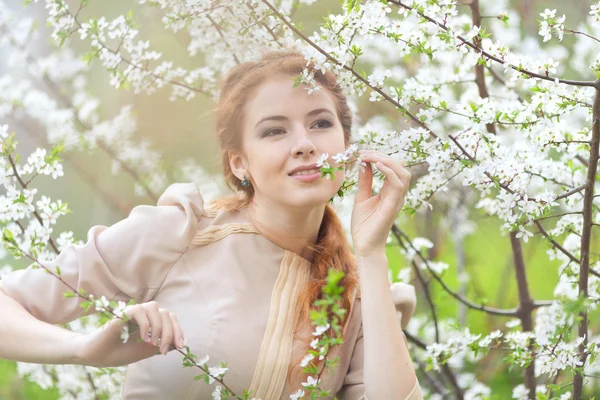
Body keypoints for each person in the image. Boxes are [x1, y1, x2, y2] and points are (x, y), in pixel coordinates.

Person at [0, 50, 423, 399]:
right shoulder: (179, 235)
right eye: (275, 131)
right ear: (239, 162)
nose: (305, 144)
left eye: (320, 123)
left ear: (346, 147)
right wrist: (82, 349)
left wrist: (370, 252)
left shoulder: (355, 296)